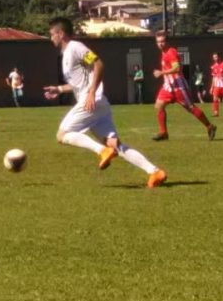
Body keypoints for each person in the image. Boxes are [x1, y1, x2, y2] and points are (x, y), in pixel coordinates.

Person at [43, 17, 167, 188]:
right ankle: (155, 172)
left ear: (61, 33)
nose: (51, 38)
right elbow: (78, 84)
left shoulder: (75, 47)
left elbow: (98, 64)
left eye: (52, 34)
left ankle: (102, 151)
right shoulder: (66, 55)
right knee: (114, 144)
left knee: (62, 135)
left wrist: (92, 92)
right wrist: (58, 89)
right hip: (97, 102)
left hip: (91, 100)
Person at [152, 30, 216, 141]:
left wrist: (162, 73)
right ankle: (163, 132)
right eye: (158, 42)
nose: (160, 44)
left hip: (178, 86)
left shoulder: (171, 52)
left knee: (191, 108)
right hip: (168, 86)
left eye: (162, 41)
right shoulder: (163, 53)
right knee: (159, 106)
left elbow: (177, 68)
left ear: (167, 42)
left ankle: (210, 126)